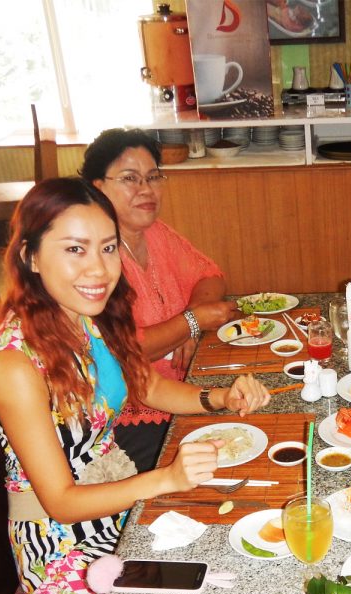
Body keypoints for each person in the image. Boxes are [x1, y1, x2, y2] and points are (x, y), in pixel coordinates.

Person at [0, 178, 270, 594]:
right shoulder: (14, 365)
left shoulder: (84, 317)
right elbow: (61, 502)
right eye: (75, 249)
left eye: (107, 248)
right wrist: (166, 479)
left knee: (240, 544)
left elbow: (148, 386)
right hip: (66, 549)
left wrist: (221, 397)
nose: (98, 269)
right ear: (30, 256)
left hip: (116, 500)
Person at [83, 128, 239, 472]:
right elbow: (125, 350)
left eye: (153, 177)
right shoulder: (94, 259)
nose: (146, 189)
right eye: (130, 178)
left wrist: (190, 325)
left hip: (181, 387)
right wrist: (192, 322)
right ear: (98, 187)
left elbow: (210, 275)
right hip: (128, 420)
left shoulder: (154, 233)